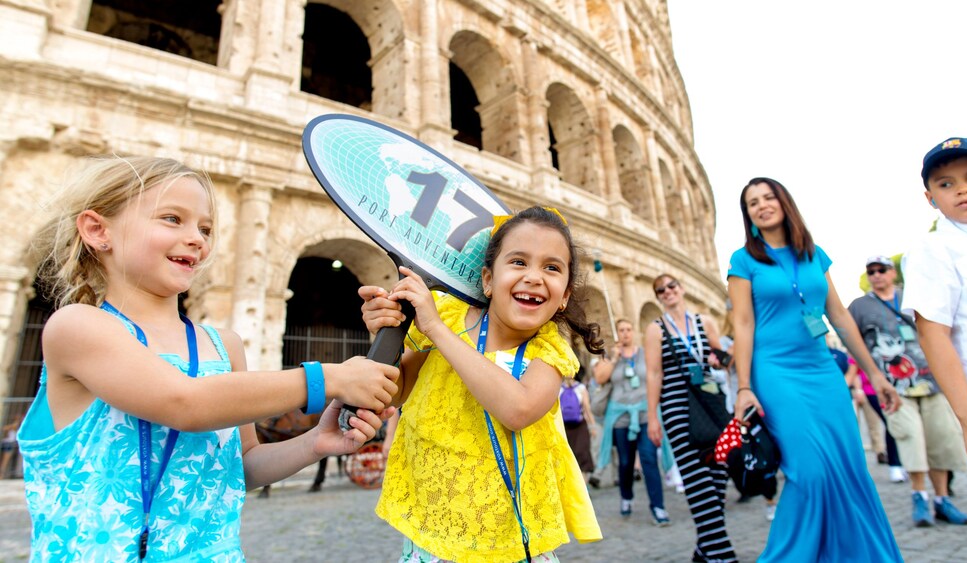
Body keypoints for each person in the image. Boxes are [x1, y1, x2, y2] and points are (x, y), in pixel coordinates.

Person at [15, 156, 399, 561]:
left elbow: (242, 464)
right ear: (98, 230)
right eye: (171, 219)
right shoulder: (78, 327)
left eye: (205, 228)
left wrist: (314, 444)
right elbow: (184, 402)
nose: (196, 238)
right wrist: (329, 378)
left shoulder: (223, 345)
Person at [359, 206, 603, 561]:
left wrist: (437, 331)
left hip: (508, 539)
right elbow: (398, 388)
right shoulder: (450, 315)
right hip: (433, 527)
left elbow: (517, 409)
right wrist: (386, 334)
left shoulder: (549, 350)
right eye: (519, 262)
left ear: (564, 294)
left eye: (551, 267)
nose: (534, 276)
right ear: (488, 279)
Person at [728, 177, 902, 562]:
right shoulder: (743, 260)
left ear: (784, 202)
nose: (761, 205)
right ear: (749, 216)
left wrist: (874, 373)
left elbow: (839, 316)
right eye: (752, 202)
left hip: (822, 369)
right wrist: (743, 386)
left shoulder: (814, 254)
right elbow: (742, 323)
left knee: (850, 466)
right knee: (809, 473)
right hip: (774, 371)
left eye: (768, 197)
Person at [902, 137, 967, 480]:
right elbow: (933, 337)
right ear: (931, 198)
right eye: (946, 184)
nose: (962, 190)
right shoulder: (935, 249)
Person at [849, 254, 967, 526]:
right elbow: (852, 343)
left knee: (940, 439)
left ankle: (942, 499)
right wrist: (867, 377)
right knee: (911, 439)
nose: (876, 275)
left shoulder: (914, 297)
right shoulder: (859, 306)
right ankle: (919, 496)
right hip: (894, 387)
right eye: (871, 271)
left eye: (882, 269)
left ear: (893, 273)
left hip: (931, 380)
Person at [643, 274, 738, 563]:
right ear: (658, 296)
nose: (668, 292)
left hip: (710, 403)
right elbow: (654, 373)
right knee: (697, 478)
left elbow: (722, 357)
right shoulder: (655, 329)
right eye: (661, 290)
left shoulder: (704, 321)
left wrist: (720, 357)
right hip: (676, 408)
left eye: (672, 286)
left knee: (718, 474)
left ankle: (703, 551)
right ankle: (721, 554)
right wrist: (652, 417)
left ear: (681, 289)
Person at [593, 318, 670, 526]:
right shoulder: (610, 356)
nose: (626, 333)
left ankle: (658, 507)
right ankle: (626, 497)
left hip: (645, 413)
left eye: (628, 329)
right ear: (617, 334)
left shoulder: (645, 354)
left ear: (633, 332)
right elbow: (600, 378)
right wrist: (616, 358)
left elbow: (656, 376)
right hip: (620, 416)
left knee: (648, 458)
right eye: (621, 330)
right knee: (625, 462)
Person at [850, 358, 905, 482]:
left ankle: (896, 460)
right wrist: (858, 389)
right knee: (888, 422)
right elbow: (853, 369)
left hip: (896, 388)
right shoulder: (863, 346)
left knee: (892, 424)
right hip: (870, 390)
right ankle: (895, 464)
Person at [560, 367, 597, 482]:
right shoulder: (578, 388)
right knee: (575, 455)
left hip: (575, 425)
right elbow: (587, 407)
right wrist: (593, 426)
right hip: (568, 426)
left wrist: (592, 425)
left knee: (581, 454)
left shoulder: (561, 388)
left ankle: (583, 485)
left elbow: (587, 408)